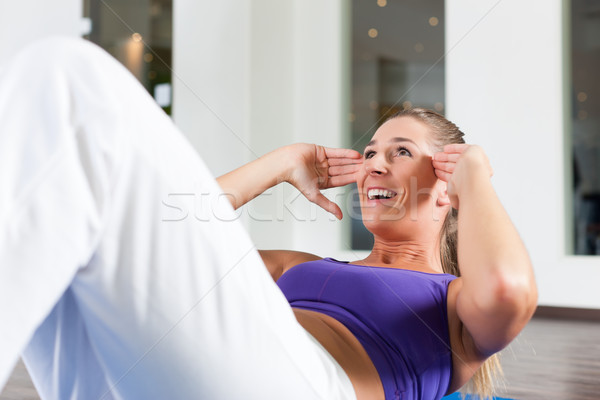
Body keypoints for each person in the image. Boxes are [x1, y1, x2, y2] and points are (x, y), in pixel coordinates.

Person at [0, 37, 537, 400]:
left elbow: (509, 290)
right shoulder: (298, 267)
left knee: (68, 72)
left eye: (400, 152)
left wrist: (476, 176)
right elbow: (168, 234)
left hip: (312, 385)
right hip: (191, 374)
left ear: (446, 190)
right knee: (53, 108)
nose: (373, 162)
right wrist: (281, 165)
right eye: (370, 152)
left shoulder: (451, 307)